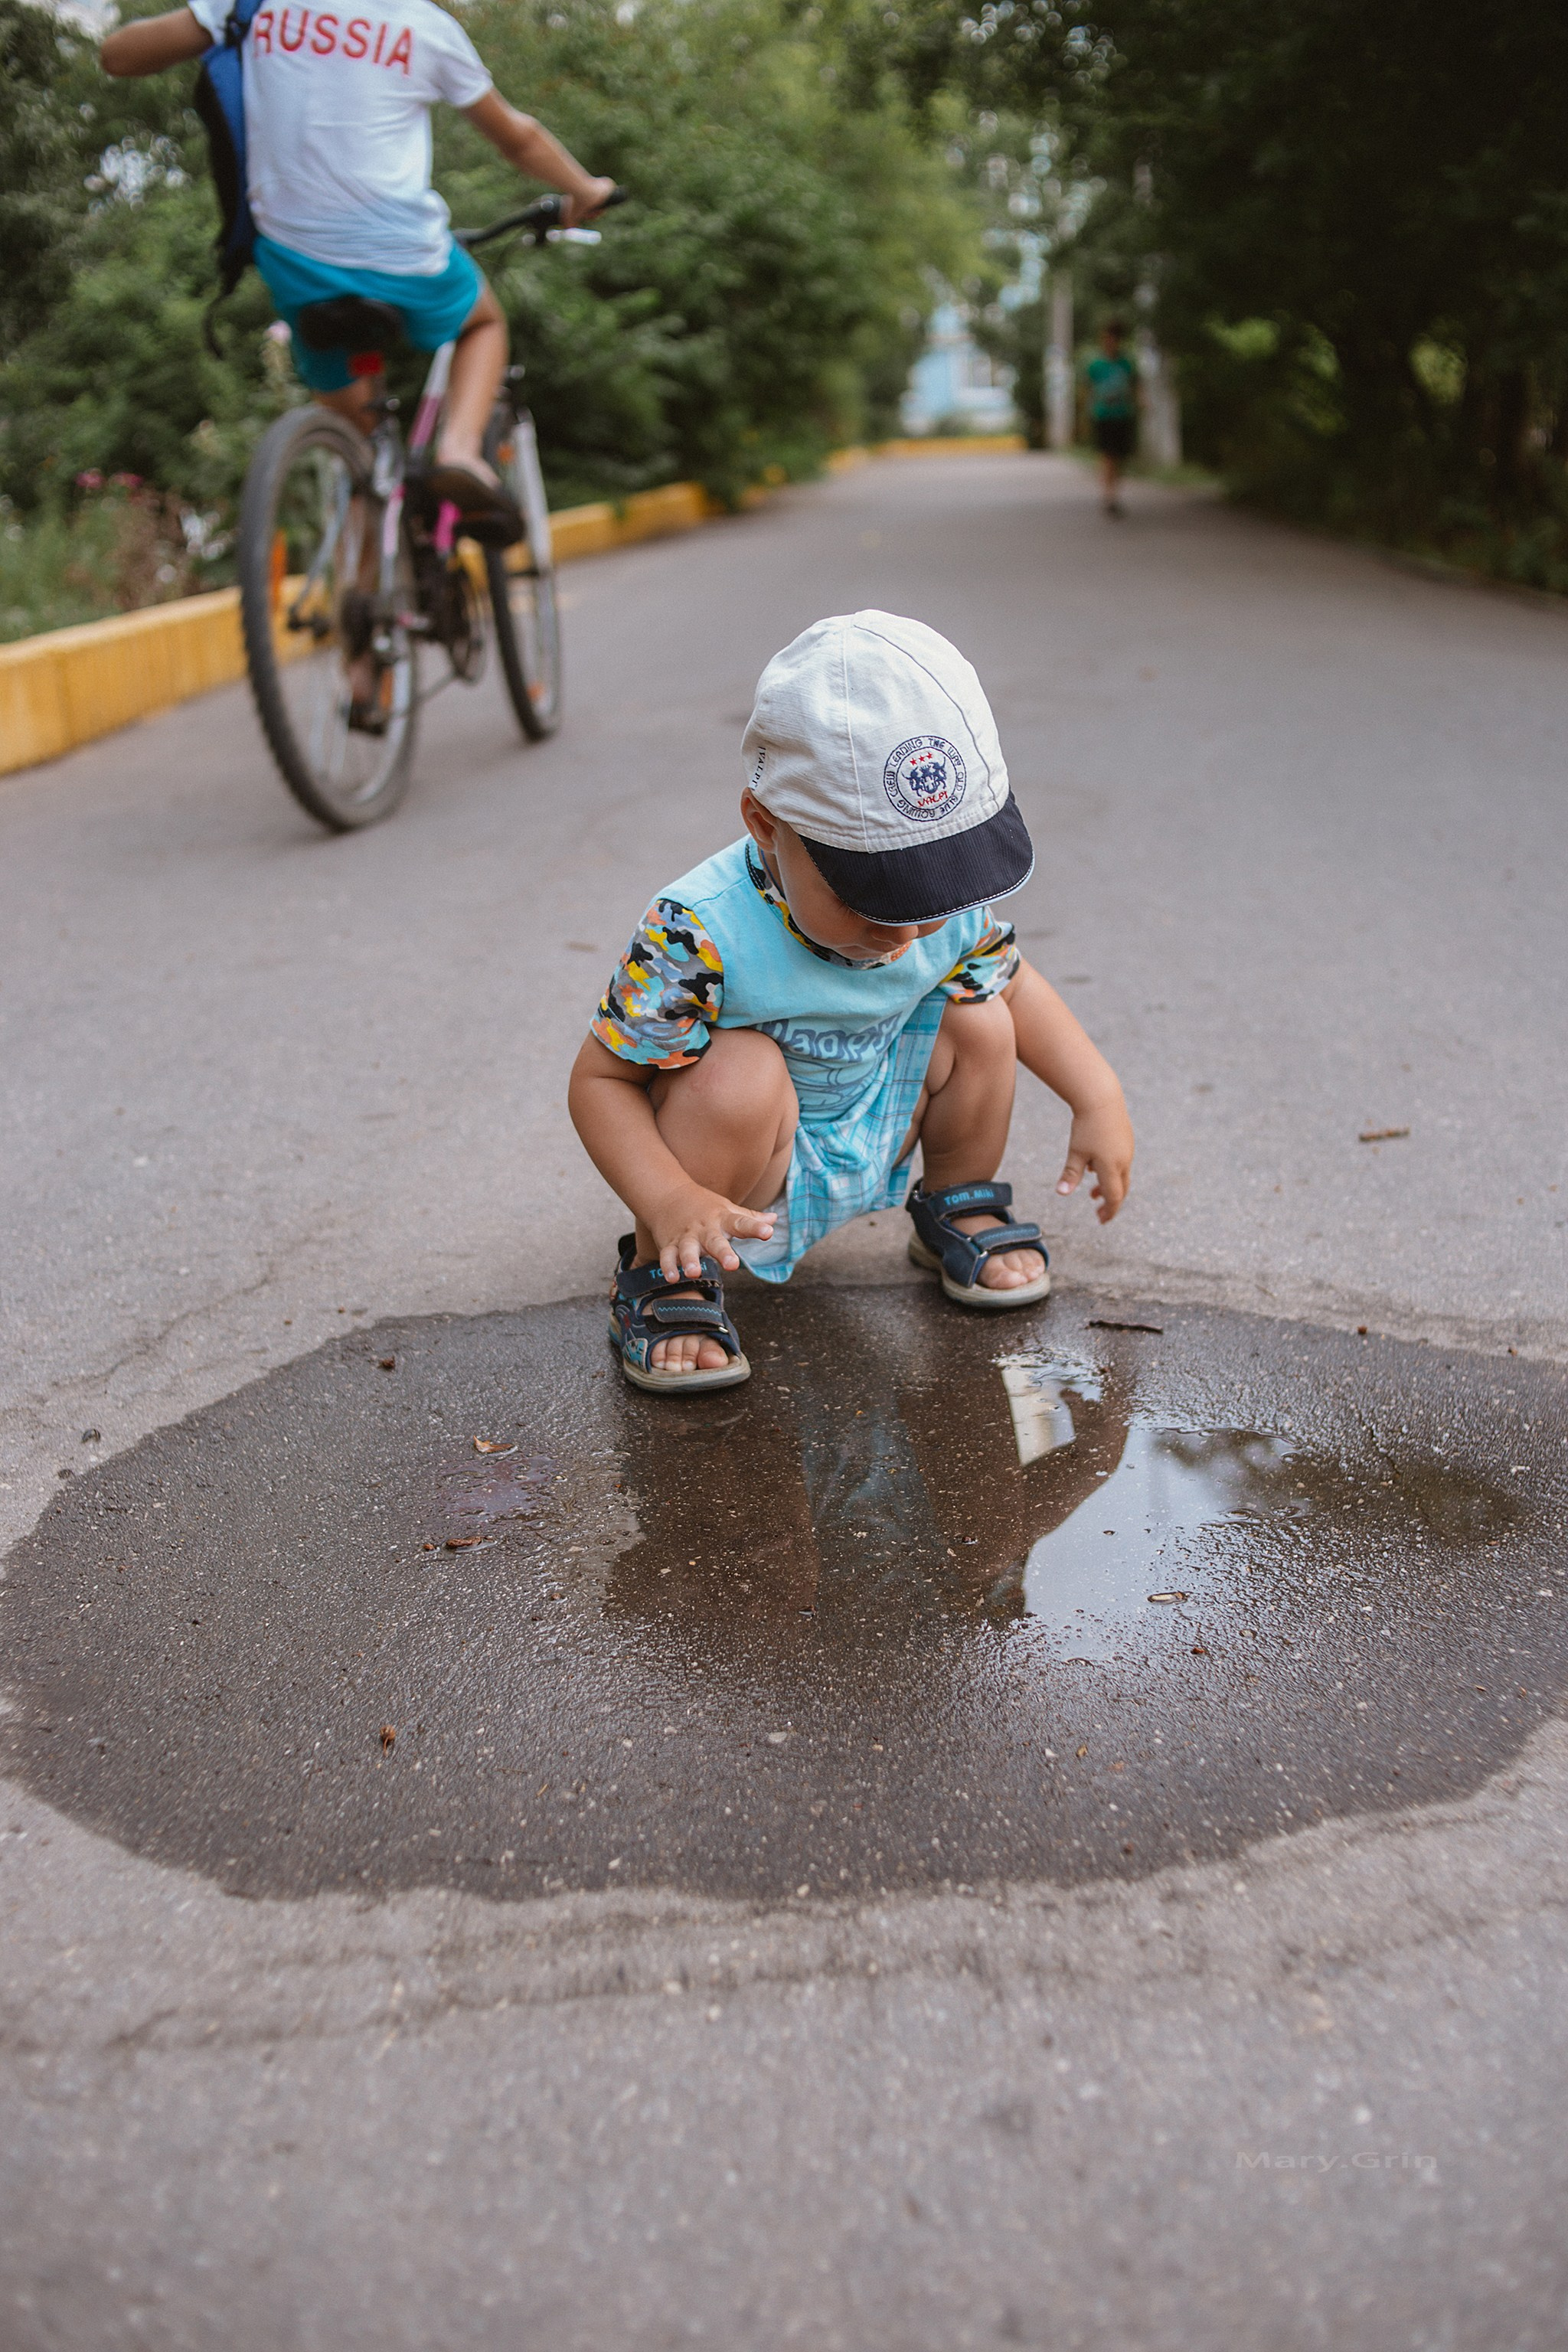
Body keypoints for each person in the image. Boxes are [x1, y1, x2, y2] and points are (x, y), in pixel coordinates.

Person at [568, 610, 1135, 1393]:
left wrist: (1096, 1095)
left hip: (878, 1112)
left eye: (927, 896)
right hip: (750, 1158)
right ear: (766, 826)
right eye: (871, 900)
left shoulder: (949, 912)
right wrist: (667, 1198)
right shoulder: (697, 928)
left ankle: (954, 1203)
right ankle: (666, 1272)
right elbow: (602, 1082)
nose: (902, 934)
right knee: (736, 1072)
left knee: (978, 1015)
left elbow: (1015, 983)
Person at [100, 0, 614, 536]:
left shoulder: (254, 4)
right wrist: (585, 189)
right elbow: (517, 137)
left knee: (361, 452)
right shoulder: (424, 27)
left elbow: (118, 56)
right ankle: (460, 450)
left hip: (297, 263)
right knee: (484, 321)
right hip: (405, 258)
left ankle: (361, 596)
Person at [1084, 318, 1138, 518]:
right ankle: (1109, 497)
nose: (1109, 343)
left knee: (1120, 457)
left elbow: (1135, 387)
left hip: (1122, 415)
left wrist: (1141, 403)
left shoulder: (1126, 363)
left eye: (1113, 339)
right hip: (1102, 416)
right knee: (1107, 456)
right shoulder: (1096, 365)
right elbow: (1087, 390)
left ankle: (1114, 493)